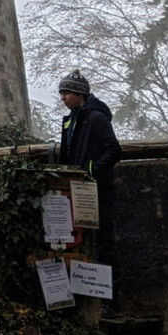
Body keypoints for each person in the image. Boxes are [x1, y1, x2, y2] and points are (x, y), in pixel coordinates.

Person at [58, 70, 122, 270]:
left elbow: (113, 150)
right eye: (62, 93)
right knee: (79, 239)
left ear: (80, 95)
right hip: (76, 189)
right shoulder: (71, 120)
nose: (63, 98)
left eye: (66, 93)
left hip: (98, 189)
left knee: (103, 241)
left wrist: (91, 171)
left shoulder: (96, 118)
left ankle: (108, 297)